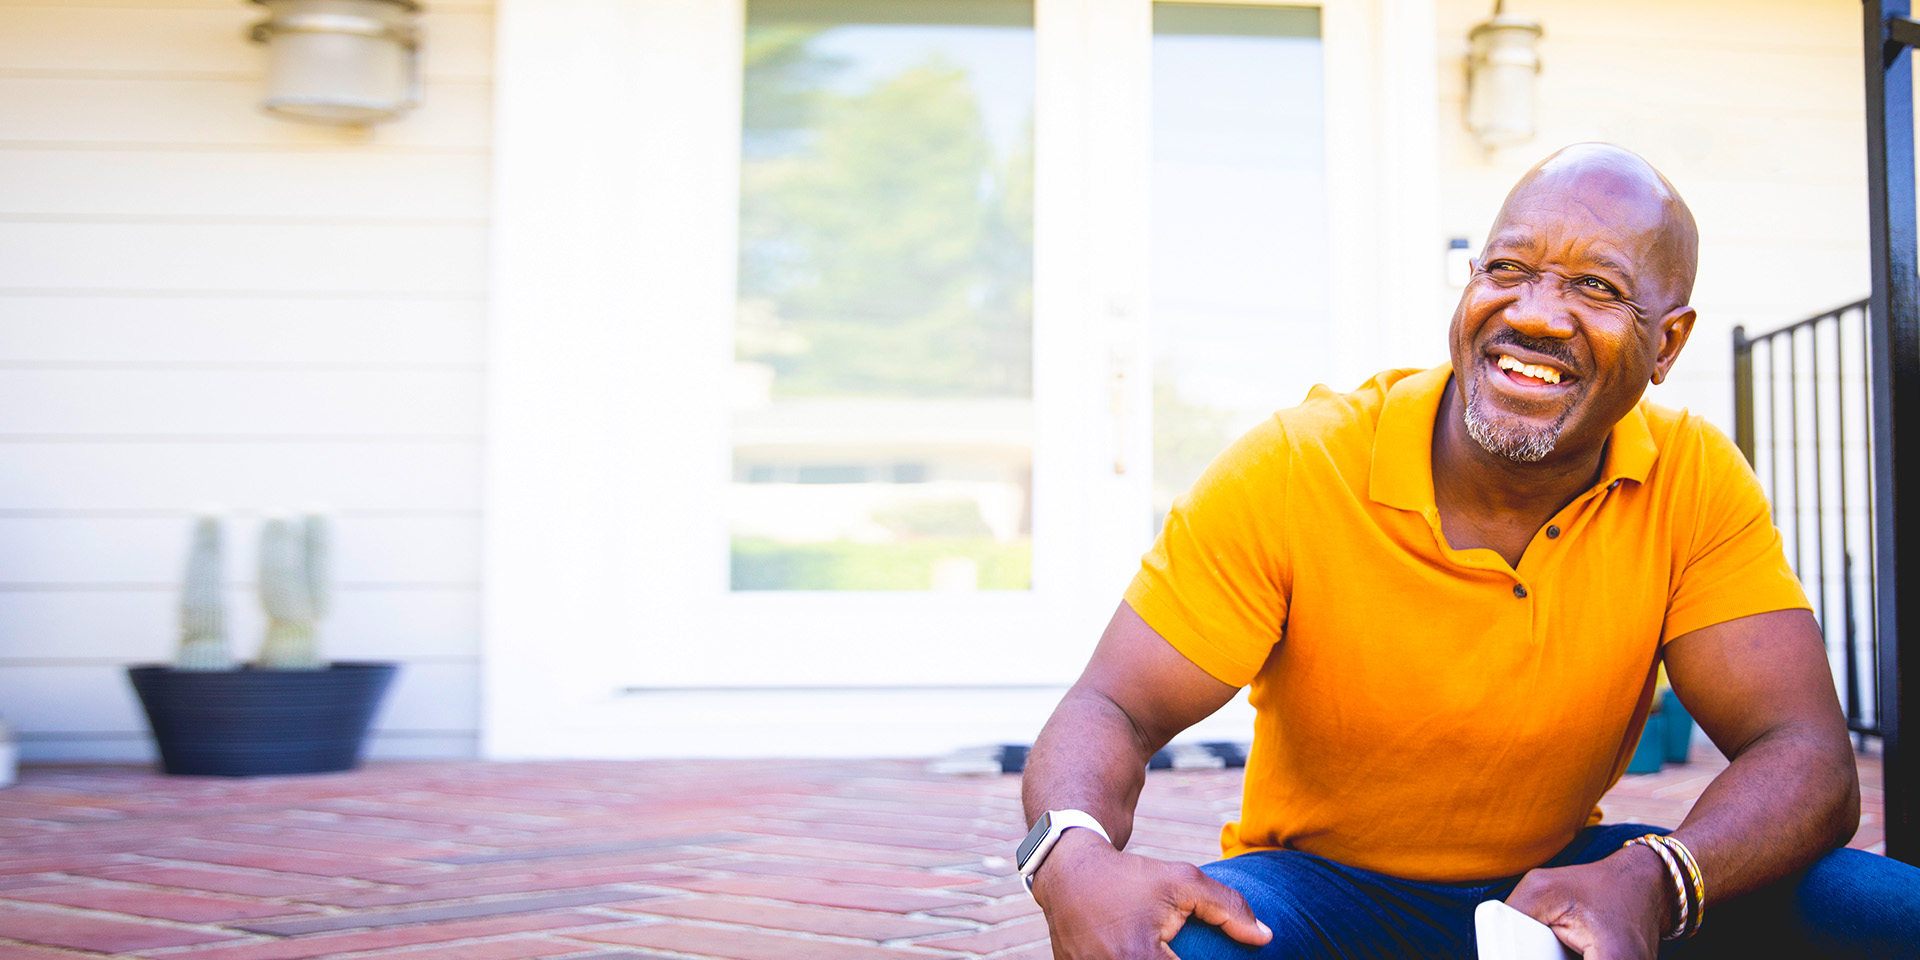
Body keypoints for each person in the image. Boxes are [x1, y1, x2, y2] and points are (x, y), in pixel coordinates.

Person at [1017, 143, 1920, 960]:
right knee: (1171, 948)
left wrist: (1656, 877)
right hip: (1317, 897)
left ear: (1669, 343)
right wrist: (1069, 857)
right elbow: (1114, 706)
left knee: (1883, 911)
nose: (1537, 314)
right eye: (1508, 269)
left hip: (1563, 888)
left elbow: (1806, 754)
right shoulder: (1299, 465)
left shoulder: (1693, 477)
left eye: (1596, 288)